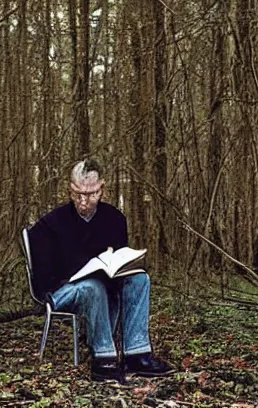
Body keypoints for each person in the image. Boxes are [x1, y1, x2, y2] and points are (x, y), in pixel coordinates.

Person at [28, 158, 174, 381]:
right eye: (77, 193)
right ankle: (103, 358)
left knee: (139, 279)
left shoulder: (114, 218)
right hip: (62, 291)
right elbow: (43, 278)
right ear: (70, 188)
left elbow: (119, 263)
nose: (83, 200)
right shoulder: (51, 223)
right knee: (92, 286)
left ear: (102, 189)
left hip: (104, 285)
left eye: (91, 194)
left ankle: (137, 354)